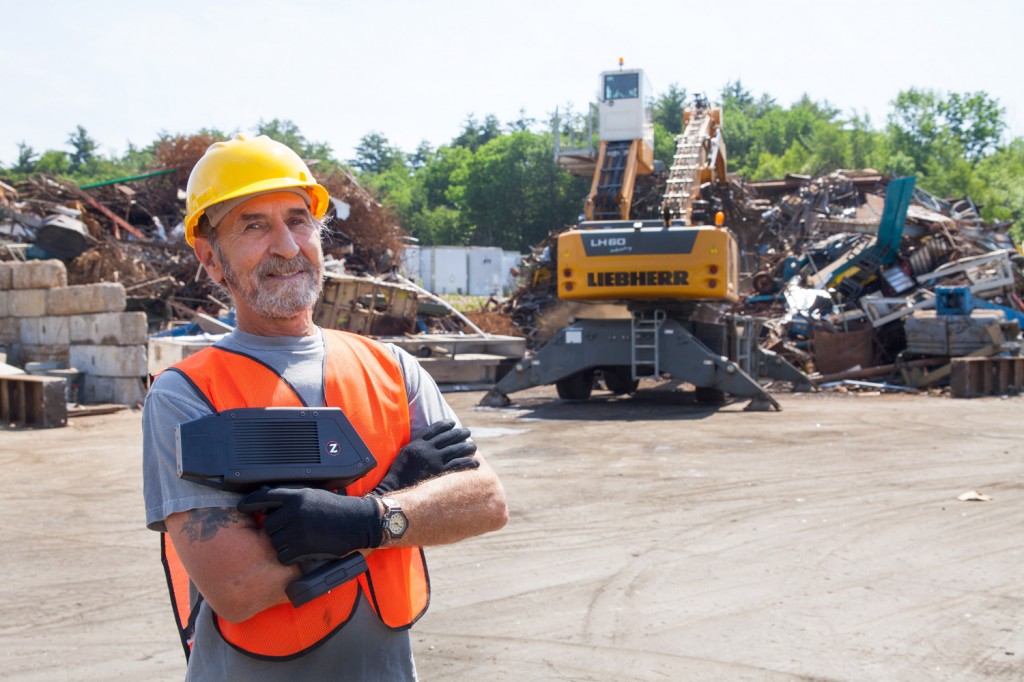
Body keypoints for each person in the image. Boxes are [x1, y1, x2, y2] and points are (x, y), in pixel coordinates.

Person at [142, 134, 508, 680]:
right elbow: (238, 588)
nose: (287, 246)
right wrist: (394, 502)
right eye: (253, 225)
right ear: (210, 260)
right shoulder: (186, 394)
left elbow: (484, 502)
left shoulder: (391, 369)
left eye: (297, 219)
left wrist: (363, 518)